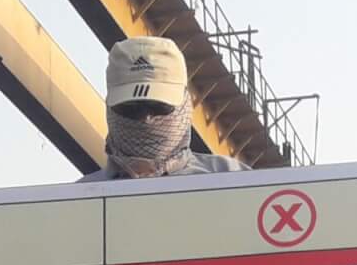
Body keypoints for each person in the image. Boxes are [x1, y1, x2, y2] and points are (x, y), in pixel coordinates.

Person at [77, 35, 247, 181]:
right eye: (130, 108)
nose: (146, 119)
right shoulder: (75, 200)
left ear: (185, 103)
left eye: (159, 106)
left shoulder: (233, 179)